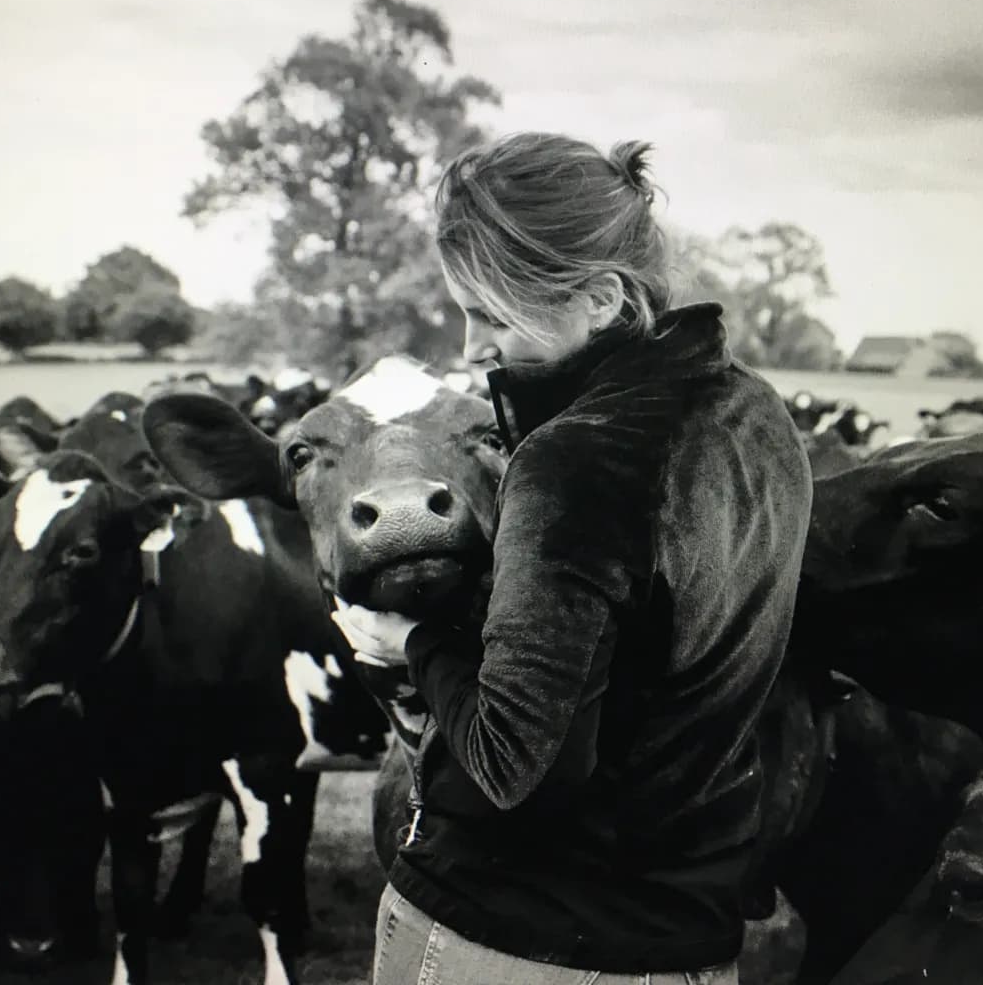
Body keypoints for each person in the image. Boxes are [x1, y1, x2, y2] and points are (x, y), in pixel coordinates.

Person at [332, 131, 814, 985]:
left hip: (518, 937)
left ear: (598, 298)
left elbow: (518, 771)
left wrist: (410, 641)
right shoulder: (756, 414)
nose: (473, 345)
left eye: (492, 315)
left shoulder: (581, 457)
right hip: (692, 936)